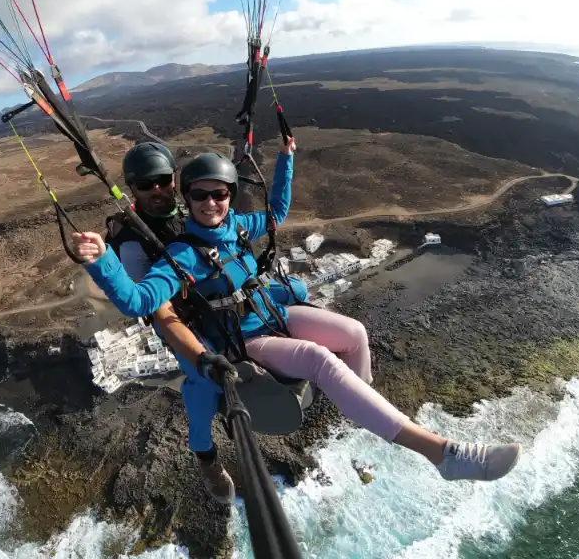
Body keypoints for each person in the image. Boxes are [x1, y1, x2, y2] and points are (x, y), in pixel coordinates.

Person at [73, 137, 522, 489]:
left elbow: (277, 213)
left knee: (354, 333)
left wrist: (286, 160)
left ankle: (363, 412)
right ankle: (441, 454)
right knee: (311, 361)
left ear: (226, 194)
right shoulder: (175, 254)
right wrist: (101, 260)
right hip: (236, 338)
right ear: (186, 198)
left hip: (271, 313)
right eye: (200, 195)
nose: (211, 202)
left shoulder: (234, 226)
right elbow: (139, 302)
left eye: (219, 194)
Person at [101, 141, 308, 504]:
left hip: (217, 304)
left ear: (174, 180)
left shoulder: (188, 210)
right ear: (132, 189)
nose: (157, 191)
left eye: (163, 181)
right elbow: (156, 309)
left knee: (299, 291)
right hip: (185, 322)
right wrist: (197, 352)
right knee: (202, 389)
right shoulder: (132, 241)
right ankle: (206, 457)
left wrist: (285, 159)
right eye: (146, 185)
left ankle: (295, 363)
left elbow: (256, 221)